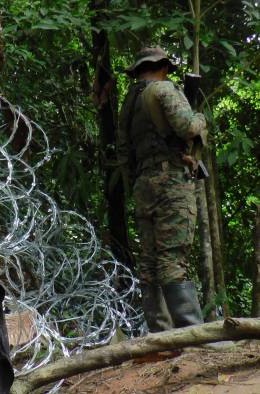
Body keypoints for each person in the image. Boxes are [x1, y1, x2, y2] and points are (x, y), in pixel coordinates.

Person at [117, 47, 208, 333]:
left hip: (144, 184)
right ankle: (191, 334)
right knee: (172, 258)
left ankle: (161, 334)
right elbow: (187, 127)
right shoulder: (164, 90)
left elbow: (124, 153)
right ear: (163, 67)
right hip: (171, 183)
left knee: (150, 261)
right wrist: (201, 118)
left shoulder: (129, 102)